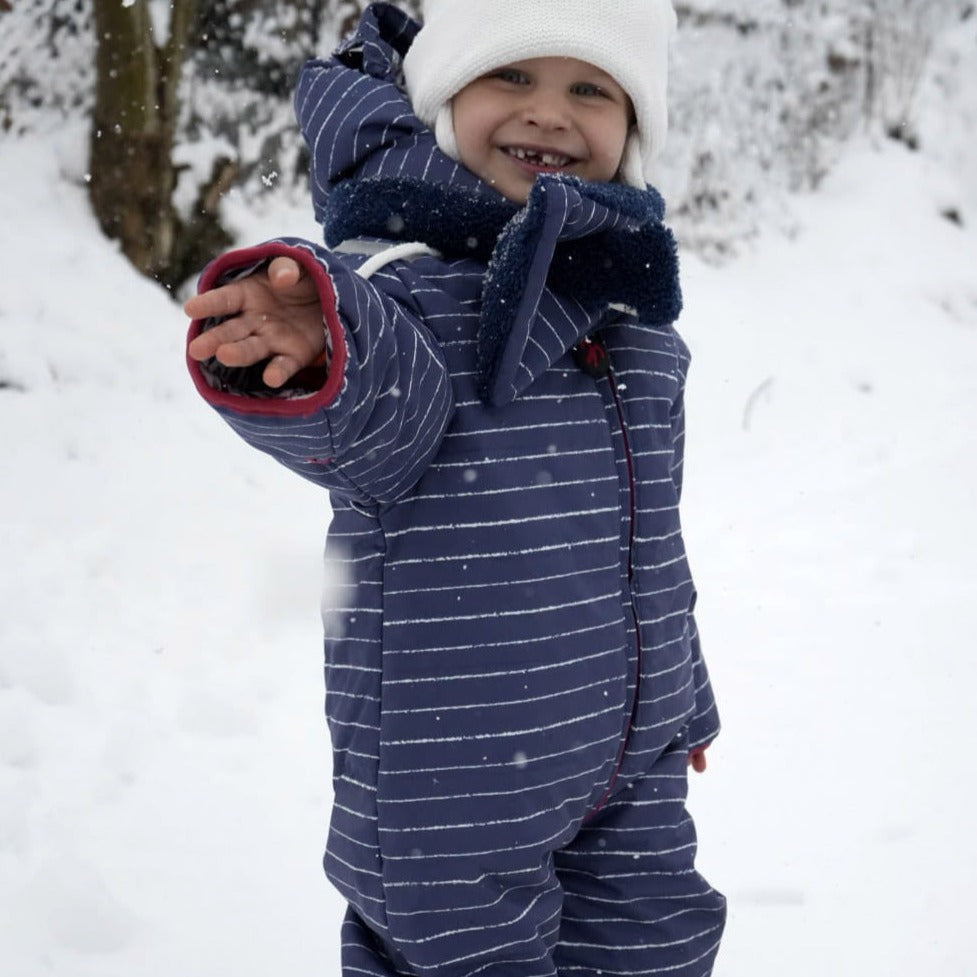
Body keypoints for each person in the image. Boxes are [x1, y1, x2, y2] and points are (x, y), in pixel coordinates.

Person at [185, 2, 726, 975]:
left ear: (634, 127)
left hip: (626, 761)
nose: (549, 112)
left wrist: (682, 698)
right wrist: (321, 337)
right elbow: (374, 417)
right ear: (441, 95)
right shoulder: (406, 292)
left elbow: (652, 546)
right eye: (510, 75)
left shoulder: (635, 326)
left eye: (590, 88)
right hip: (452, 775)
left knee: (661, 941)